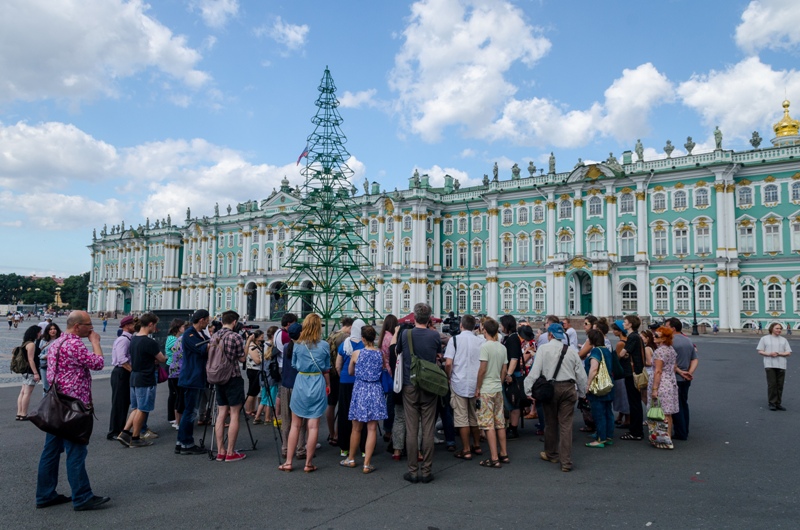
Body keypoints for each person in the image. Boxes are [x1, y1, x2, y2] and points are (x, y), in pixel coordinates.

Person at [36, 311, 110, 511]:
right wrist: (95, 342)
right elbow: (98, 363)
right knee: (76, 451)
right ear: (77, 326)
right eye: (88, 325)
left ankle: (45, 494)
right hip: (73, 407)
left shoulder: (57, 342)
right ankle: (82, 496)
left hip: (55, 405)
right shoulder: (75, 343)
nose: (91, 328)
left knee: (50, 451)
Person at [526, 323, 586, 472]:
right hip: (569, 388)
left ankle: (551, 453)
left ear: (550, 335)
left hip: (550, 389)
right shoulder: (571, 351)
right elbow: (581, 374)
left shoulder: (543, 349)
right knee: (566, 425)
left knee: (550, 422)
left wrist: (528, 390)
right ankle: (566, 462)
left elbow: (535, 371)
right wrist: (582, 393)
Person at [396, 303, 442, 484]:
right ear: (430, 318)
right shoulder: (434, 335)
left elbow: (397, 351)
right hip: (429, 385)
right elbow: (438, 354)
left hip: (410, 384)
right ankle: (427, 470)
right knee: (428, 428)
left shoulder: (405, 334)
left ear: (414, 317)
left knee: (412, 428)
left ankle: (413, 470)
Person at [279, 313, 331, 473]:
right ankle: (308, 463)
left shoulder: (298, 344)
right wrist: (328, 384)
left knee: (295, 423)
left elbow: (294, 364)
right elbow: (326, 366)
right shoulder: (324, 345)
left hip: (301, 381)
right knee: (313, 425)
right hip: (317, 381)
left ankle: (288, 461)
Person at [342, 325, 387, 473]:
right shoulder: (380, 354)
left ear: (362, 338)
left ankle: (351, 458)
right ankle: (367, 463)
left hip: (360, 389)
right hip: (375, 389)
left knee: (356, 428)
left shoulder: (356, 353)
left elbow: (350, 371)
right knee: (372, 428)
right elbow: (382, 370)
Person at [117, 313, 166, 448]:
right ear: (150, 324)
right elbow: (161, 359)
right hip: (146, 377)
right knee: (143, 408)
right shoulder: (150, 342)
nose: (155, 327)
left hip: (134, 376)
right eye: (155, 325)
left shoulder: (133, 339)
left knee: (136, 407)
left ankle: (125, 432)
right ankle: (135, 437)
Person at [444, 314, 484, 459]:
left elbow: (448, 363)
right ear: (474, 326)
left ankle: (466, 449)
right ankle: (477, 445)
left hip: (458, 381)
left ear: (461, 325)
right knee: (474, 415)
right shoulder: (480, 341)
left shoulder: (454, 340)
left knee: (461, 417)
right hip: (475, 383)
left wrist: (448, 376)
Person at [212, 311, 248, 462]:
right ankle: (231, 452)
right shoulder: (235, 336)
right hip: (232, 377)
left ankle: (220, 450)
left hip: (218, 377)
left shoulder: (214, 336)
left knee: (221, 414)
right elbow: (242, 358)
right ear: (234, 322)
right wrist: (249, 342)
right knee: (234, 414)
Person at [475, 317, 509, 468]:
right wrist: (500, 382)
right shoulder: (502, 347)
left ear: (484, 330)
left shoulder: (485, 346)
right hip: (497, 388)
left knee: (488, 424)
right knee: (500, 422)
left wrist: (478, 387)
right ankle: (504, 453)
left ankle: (494, 458)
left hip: (487, 389)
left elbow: (482, 369)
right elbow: (504, 369)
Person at [176, 310, 211, 455]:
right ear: (201, 320)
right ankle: (186, 443)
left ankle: (181, 442)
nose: (209, 322)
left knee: (190, 411)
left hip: (196, 376)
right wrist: (213, 343)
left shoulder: (199, 333)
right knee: (190, 412)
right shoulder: (190, 334)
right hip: (192, 377)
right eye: (207, 320)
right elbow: (202, 349)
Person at [337, 319, 366, 458]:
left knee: (344, 413)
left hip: (345, 382)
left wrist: (342, 376)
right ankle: (363, 447)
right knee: (362, 414)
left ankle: (344, 447)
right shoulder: (364, 344)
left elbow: (338, 364)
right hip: (360, 382)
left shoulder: (345, 343)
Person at [666, 318, 698, 439]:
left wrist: (680, 372)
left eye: (666, 326)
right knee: (684, 404)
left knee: (675, 405)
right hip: (685, 378)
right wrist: (689, 372)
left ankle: (680, 432)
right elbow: (694, 359)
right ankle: (685, 430)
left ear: (673, 328)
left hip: (674, 377)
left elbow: (670, 363)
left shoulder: (670, 342)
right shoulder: (688, 340)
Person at [279, 322, 308, 459]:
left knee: (286, 419)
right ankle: (300, 448)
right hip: (299, 386)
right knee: (300, 421)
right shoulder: (302, 348)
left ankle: (285, 448)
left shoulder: (286, 347)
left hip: (285, 385)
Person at [584, 329, 615, 448]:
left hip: (598, 386)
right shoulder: (606, 350)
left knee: (599, 412)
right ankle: (608, 436)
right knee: (608, 412)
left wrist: (588, 384)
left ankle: (600, 438)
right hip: (608, 385)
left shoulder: (596, 351)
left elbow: (594, 369)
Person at [325, 316, 353, 445]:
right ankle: (338, 434)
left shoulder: (332, 335)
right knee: (342, 406)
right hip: (340, 374)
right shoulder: (345, 338)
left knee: (331, 405)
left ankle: (332, 433)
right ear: (350, 326)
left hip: (330, 374)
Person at [650, 326, 680, 449]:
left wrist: (655, 388)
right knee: (668, 413)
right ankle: (668, 436)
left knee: (661, 412)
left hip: (662, 383)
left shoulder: (659, 351)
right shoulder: (671, 349)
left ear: (663, 339)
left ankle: (663, 438)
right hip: (671, 381)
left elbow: (658, 371)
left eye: (656, 336)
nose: (653, 337)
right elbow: (674, 366)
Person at [107, 315, 136, 440]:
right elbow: (122, 360)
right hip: (121, 372)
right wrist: (133, 371)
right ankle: (114, 431)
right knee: (118, 402)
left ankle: (121, 428)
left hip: (123, 372)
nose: (135, 326)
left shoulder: (128, 338)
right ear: (127, 326)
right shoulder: (124, 340)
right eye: (134, 324)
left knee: (124, 402)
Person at [619, 315, 645, 441]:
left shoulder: (632, 337)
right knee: (635, 401)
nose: (623, 324)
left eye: (625, 322)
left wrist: (623, 354)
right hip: (636, 371)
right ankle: (636, 430)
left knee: (634, 402)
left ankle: (636, 431)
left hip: (632, 373)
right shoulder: (637, 336)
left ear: (630, 324)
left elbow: (623, 353)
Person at [757, 323, 792, 411]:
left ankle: (778, 403)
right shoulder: (764, 339)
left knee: (780, 385)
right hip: (770, 364)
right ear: (772, 328)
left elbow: (788, 352)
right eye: (777, 328)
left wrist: (779, 353)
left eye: (780, 329)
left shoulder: (783, 340)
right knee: (772, 384)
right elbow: (760, 351)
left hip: (781, 364)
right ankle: (772, 403)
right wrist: (769, 354)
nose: (779, 330)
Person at [498, 315, 523, 440]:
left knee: (513, 402)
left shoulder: (513, 339)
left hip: (513, 374)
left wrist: (508, 374)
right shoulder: (510, 338)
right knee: (511, 401)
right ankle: (511, 426)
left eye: (502, 324)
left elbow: (514, 358)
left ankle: (513, 428)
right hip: (512, 373)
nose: (500, 326)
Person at [378, 314, 398, 440]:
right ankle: (389, 429)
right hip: (391, 373)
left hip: (384, 372)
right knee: (391, 404)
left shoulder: (382, 337)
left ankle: (387, 429)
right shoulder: (391, 338)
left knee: (387, 403)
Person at [16, 325, 42, 420]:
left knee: (22, 392)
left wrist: (42, 347)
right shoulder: (31, 344)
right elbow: (31, 360)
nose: (40, 334)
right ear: (35, 333)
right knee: (27, 393)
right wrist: (36, 373)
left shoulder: (25, 343)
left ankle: (19, 413)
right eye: (39, 332)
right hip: (30, 371)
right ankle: (24, 414)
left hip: (25, 371)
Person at [165, 319, 186, 428]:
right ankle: (173, 417)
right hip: (173, 365)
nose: (184, 328)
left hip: (173, 366)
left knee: (175, 394)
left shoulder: (175, 338)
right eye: (183, 326)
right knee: (174, 394)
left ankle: (174, 417)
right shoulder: (173, 339)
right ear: (178, 327)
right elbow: (174, 350)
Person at [244, 329, 264, 419]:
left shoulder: (257, 345)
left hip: (256, 370)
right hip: (253, 370)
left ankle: (252, 408)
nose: (263, 339)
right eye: (261, 337)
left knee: (255, 391)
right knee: (252, 391)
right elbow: (257, 360)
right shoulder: (252, 347)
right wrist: (263, 358)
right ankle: (248, 409)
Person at [38, 322, 62, 394]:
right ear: (47, 331)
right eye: (50, 329)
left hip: (57, 367)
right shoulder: (43, 341)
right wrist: (44, 356)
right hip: (45, 366)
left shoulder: (61, 340)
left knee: (58, 388)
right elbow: (38, 354)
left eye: (54, 329)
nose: (53, 331)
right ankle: (46, 404)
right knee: (46, 388)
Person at [640, 329, 656, 404]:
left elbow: (649, 362)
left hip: (648, 372)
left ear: (647, 338)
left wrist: (640, 362)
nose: (640, 339)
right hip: (653, 372)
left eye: (642, 337)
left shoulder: (646, 348)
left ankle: (650, 408)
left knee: (644, 394)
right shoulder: (654, 347)